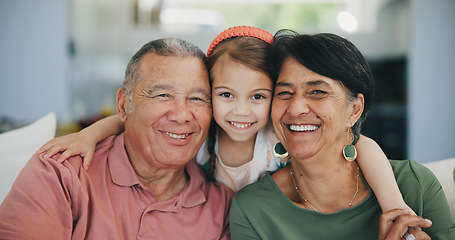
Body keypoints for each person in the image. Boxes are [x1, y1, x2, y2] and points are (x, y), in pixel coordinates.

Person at [38, 26, 411, 214]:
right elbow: (128, 120)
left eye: (259, 97)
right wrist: (89, 135)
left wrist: (394, 203)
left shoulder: (275, 136)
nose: (241, 112)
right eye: (226, 95)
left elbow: (360, 145)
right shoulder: (200, 135)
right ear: (208, 93)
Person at [229, 30, 455, 240]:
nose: (296, 108)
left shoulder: (414, 186)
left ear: (354, 110)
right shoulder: (253, 209)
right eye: (285, 93)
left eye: (317, 92)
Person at [0, 38, 233, 239]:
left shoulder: (222, 208)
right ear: (123, 104)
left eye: (197, 99)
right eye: (163, 95)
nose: (182, 115)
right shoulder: (59, 174)